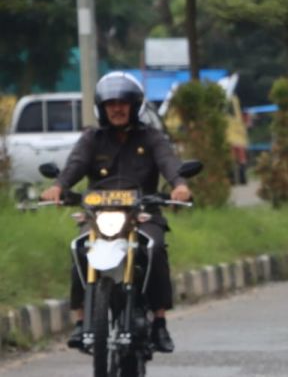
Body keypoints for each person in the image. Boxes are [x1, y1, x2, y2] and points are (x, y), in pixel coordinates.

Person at [41, 72, 192, 353]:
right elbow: (74, 166)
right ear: (102, 108)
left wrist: (179, 185)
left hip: (143, 213)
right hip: (99, 216)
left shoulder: (151, 137)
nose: (117, 108)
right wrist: (58, 187)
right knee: (81, 248)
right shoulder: (92, 139)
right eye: (110, 104)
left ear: (134, 106)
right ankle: (81, 320)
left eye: (123, 103)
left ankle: (159, 322)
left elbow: (168, 162)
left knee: (155, 248)